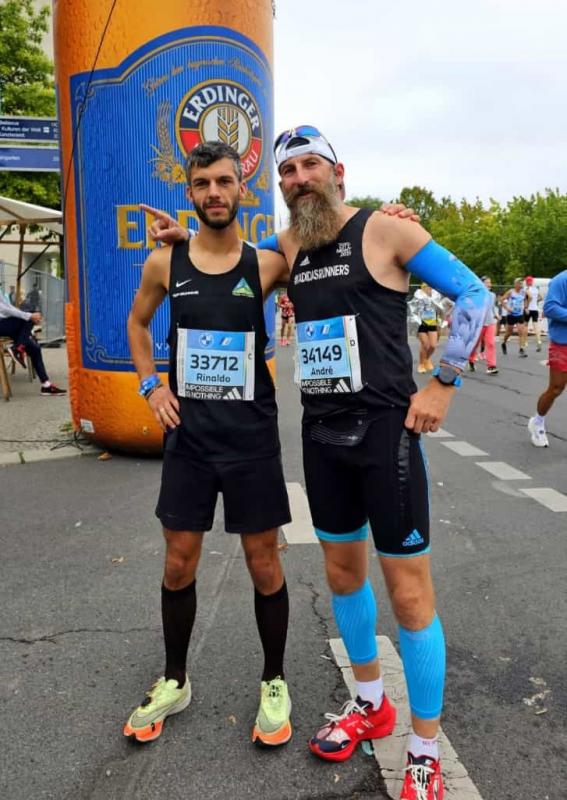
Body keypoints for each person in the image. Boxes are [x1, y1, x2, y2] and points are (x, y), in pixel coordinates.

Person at [150, 126, 488, 800]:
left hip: (386, 435)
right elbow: (225, 258)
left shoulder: (386, 231)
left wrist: (443, 381)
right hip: (322, 436)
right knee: (341, 575)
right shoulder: (288, 247)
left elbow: (475, 295)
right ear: (279, 185)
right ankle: (371, 704)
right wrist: (184, 240)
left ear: (337, 171)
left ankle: (424, 748)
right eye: (288, 171)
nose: (300, 178)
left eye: (311, 165)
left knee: (409, 595)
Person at [125, 142, 294, 747]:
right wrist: (151, 386)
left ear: (242, 189)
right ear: (190, 193)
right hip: (190, 439)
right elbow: (138, 323)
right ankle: (175, 679)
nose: (215, 192)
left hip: (251, 440)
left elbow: (338, 252)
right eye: (203, 184)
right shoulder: (164, 262)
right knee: (178, 562)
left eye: (225, 181)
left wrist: (390, 216)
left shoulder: (267, 263)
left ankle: (274, 680)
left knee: (264, 563)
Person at [527, 269, 567, 447]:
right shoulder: (561, 280)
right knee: (556, 388)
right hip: (563, 342)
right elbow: (550, 308)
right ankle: (537, 421)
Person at [0, 293, 66, 395]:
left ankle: (46, 385)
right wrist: (29, 316)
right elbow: (4, 309)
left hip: (6, 325)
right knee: (29, 318)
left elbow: (8, 307)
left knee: (35, 349)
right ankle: (18, 348)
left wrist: (28, 315)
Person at [468, 276, 498, 374]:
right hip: (479, 324)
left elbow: (492, 308)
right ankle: (471, 359)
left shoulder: (492, 295)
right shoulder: (476, 295)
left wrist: (496, 315)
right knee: (475, 344)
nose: (489, 284)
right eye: (487, 282)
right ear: (481, 284)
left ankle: (491, 366)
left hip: (490, 322)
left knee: (491, 343)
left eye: (490, 282)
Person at [412, 283, 442, 373]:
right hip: (421, 323)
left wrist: (440, 323)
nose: (428, 288)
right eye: (426, 286)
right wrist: (427, 293)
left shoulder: (436, 294)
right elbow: (415, 306)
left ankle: (426, 359)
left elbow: (440, 308)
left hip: (432, 322)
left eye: (430, 286)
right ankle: (421, 364)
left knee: (433, 345)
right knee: (425, 344)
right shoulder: (418, 294)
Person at [501, 278, 528, 357]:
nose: (521, 285)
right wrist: (507, 308)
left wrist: (526, 307)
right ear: (515, 284)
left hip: (520, 314)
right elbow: (501, 300)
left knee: (521, 332)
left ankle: (521, 349)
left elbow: (527, 299)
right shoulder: (511, 292)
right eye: (519, 283)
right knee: (509, 333)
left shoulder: (523, 292)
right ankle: (504, 343)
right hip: (511, 315)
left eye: (521, 283)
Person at [524, 276, 542, 352]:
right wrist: (536, 301)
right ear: (532, 282)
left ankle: (525, 342)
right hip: (535, 309)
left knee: (525, 325)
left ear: (526, 282)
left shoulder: (526, 289)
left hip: (528, 309)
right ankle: (539, 341)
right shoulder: (536, 289)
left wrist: (526, 306)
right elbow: (541, 297)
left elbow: (530, 297)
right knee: (536, 326)